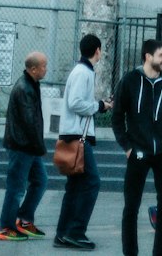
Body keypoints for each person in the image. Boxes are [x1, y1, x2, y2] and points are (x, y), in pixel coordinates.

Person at [111, 40, 162, 256]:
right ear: (148, 57)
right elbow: (117, 116)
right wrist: (127, 146)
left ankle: (161, 253)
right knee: (131, 207)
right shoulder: (130, 80)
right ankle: (130, 252)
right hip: (138, 151)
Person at [54, 33, 110, 251]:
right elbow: (76, 103)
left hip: (73, 135)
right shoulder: (84, 72)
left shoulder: (81, 70)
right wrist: (99, 106)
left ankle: (63, 233)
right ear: (97, 50)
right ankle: (75, 232)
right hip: (78, 136)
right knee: (91, 183)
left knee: (75, 186)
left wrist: (99, 105)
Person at [0, 49, 49, 241]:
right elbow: (29, 123)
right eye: (43, 66)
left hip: (28, 146)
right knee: (16, 188)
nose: (46, 69)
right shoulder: (25, 88)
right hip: (22, 146)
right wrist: (40, 147)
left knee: (40, 181)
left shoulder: (31, 84)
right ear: (33, 69)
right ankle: (5, 227)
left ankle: (24, 219)